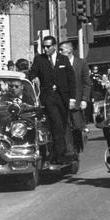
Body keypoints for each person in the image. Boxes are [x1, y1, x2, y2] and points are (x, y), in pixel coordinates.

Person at [29, 35, 77, 163]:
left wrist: (72, 98)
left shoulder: (64, 59)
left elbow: (71, 79)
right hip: (49, 97)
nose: (45, 49)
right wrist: (34, 77)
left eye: (48, 46)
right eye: (44, 46)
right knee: (56, 124)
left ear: (54, 46)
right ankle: (58, 155)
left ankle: (65, 152)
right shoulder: (40, 59)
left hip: (63, 97)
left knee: (63, 124)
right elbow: (32, 72)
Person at [59, 40, 91, 153]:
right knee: (66, 128)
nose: (60, 52)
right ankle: (70, 151)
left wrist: (84, 99)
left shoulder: (81, 63)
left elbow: (87, 83)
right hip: (64, 102)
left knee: (77, 126)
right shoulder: (59, 64)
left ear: (69, 50)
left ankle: (78, 144)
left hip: (77, 101)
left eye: (62, 50)